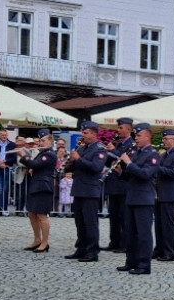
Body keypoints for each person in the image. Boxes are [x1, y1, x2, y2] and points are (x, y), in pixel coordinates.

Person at [116, 123, 159, 275]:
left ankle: (144, 264)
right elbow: (131, 174)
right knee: (130, 232)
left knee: (143, 233)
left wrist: (128, 163)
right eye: (136, 135)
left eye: (139, 135)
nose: (137, 138)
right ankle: (131, 261)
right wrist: (121, 170)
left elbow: (145, 174)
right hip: (132, 197)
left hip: (144, 198)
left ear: (148, 137)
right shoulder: (136, 152)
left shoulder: (152, 154)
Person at [64, 122, 107, 263]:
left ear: (94, 134)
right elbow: (75, 166)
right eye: (83, 132)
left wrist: (78, 159)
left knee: (90, 222)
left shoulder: (100, 149)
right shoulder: (82, 148)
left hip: (90, 190)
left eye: (86, 132)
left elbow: (96, 167)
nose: (83, 135)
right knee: (80, 222)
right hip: (79, 189)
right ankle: (81, 248)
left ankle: (92, 251)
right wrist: (70, 163)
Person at [19, 129, 57, 251]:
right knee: (31, 214)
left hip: (44, 187)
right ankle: (37, 239)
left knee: (42, 215)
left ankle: (45, 243)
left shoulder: (50, 154)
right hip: (36, 185)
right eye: (40, 140)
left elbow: (35, 165)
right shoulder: (42, 152)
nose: (41, 143)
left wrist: (23, 156)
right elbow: (36, 166)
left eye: (43, 140)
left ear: (50, 140)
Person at [103, 117, 135, 252]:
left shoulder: (131, 145)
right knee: (113, 215)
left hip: (123, 185)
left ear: (128, 129)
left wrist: (113, 151)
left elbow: (125, 160)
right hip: (114, 184)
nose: (118, 130)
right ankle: (114, 241)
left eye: (121, 128)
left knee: (123, 216)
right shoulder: (119, 144)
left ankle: (124, 243)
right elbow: (110, 161)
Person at [152, 129, 174, 262]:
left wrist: (156, 168)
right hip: (160, 194)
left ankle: (170, 252)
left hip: (169, 194)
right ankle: (159, 248)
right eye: (163, 139)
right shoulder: (164, 155)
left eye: (166, 139)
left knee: (168, 224)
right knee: (159, 224)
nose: (164, 141)